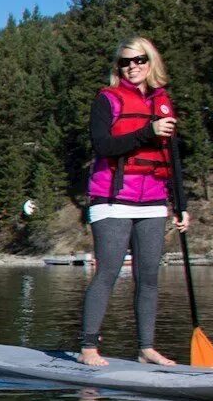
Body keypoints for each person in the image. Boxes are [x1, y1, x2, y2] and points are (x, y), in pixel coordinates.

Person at [78, 37, 189, 367]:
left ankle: (146, 348)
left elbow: (173, 155)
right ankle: (87, 348)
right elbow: (102, 146)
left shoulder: (162, 102)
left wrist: (181, 205)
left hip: (154, 200)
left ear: (150, 61)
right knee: (108, 272)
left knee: (149, 277)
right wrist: (147, 131)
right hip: (112, 199)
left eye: (139, 60)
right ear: (119, 68)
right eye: (125, 62)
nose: (133, 66)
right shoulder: (107, 100)